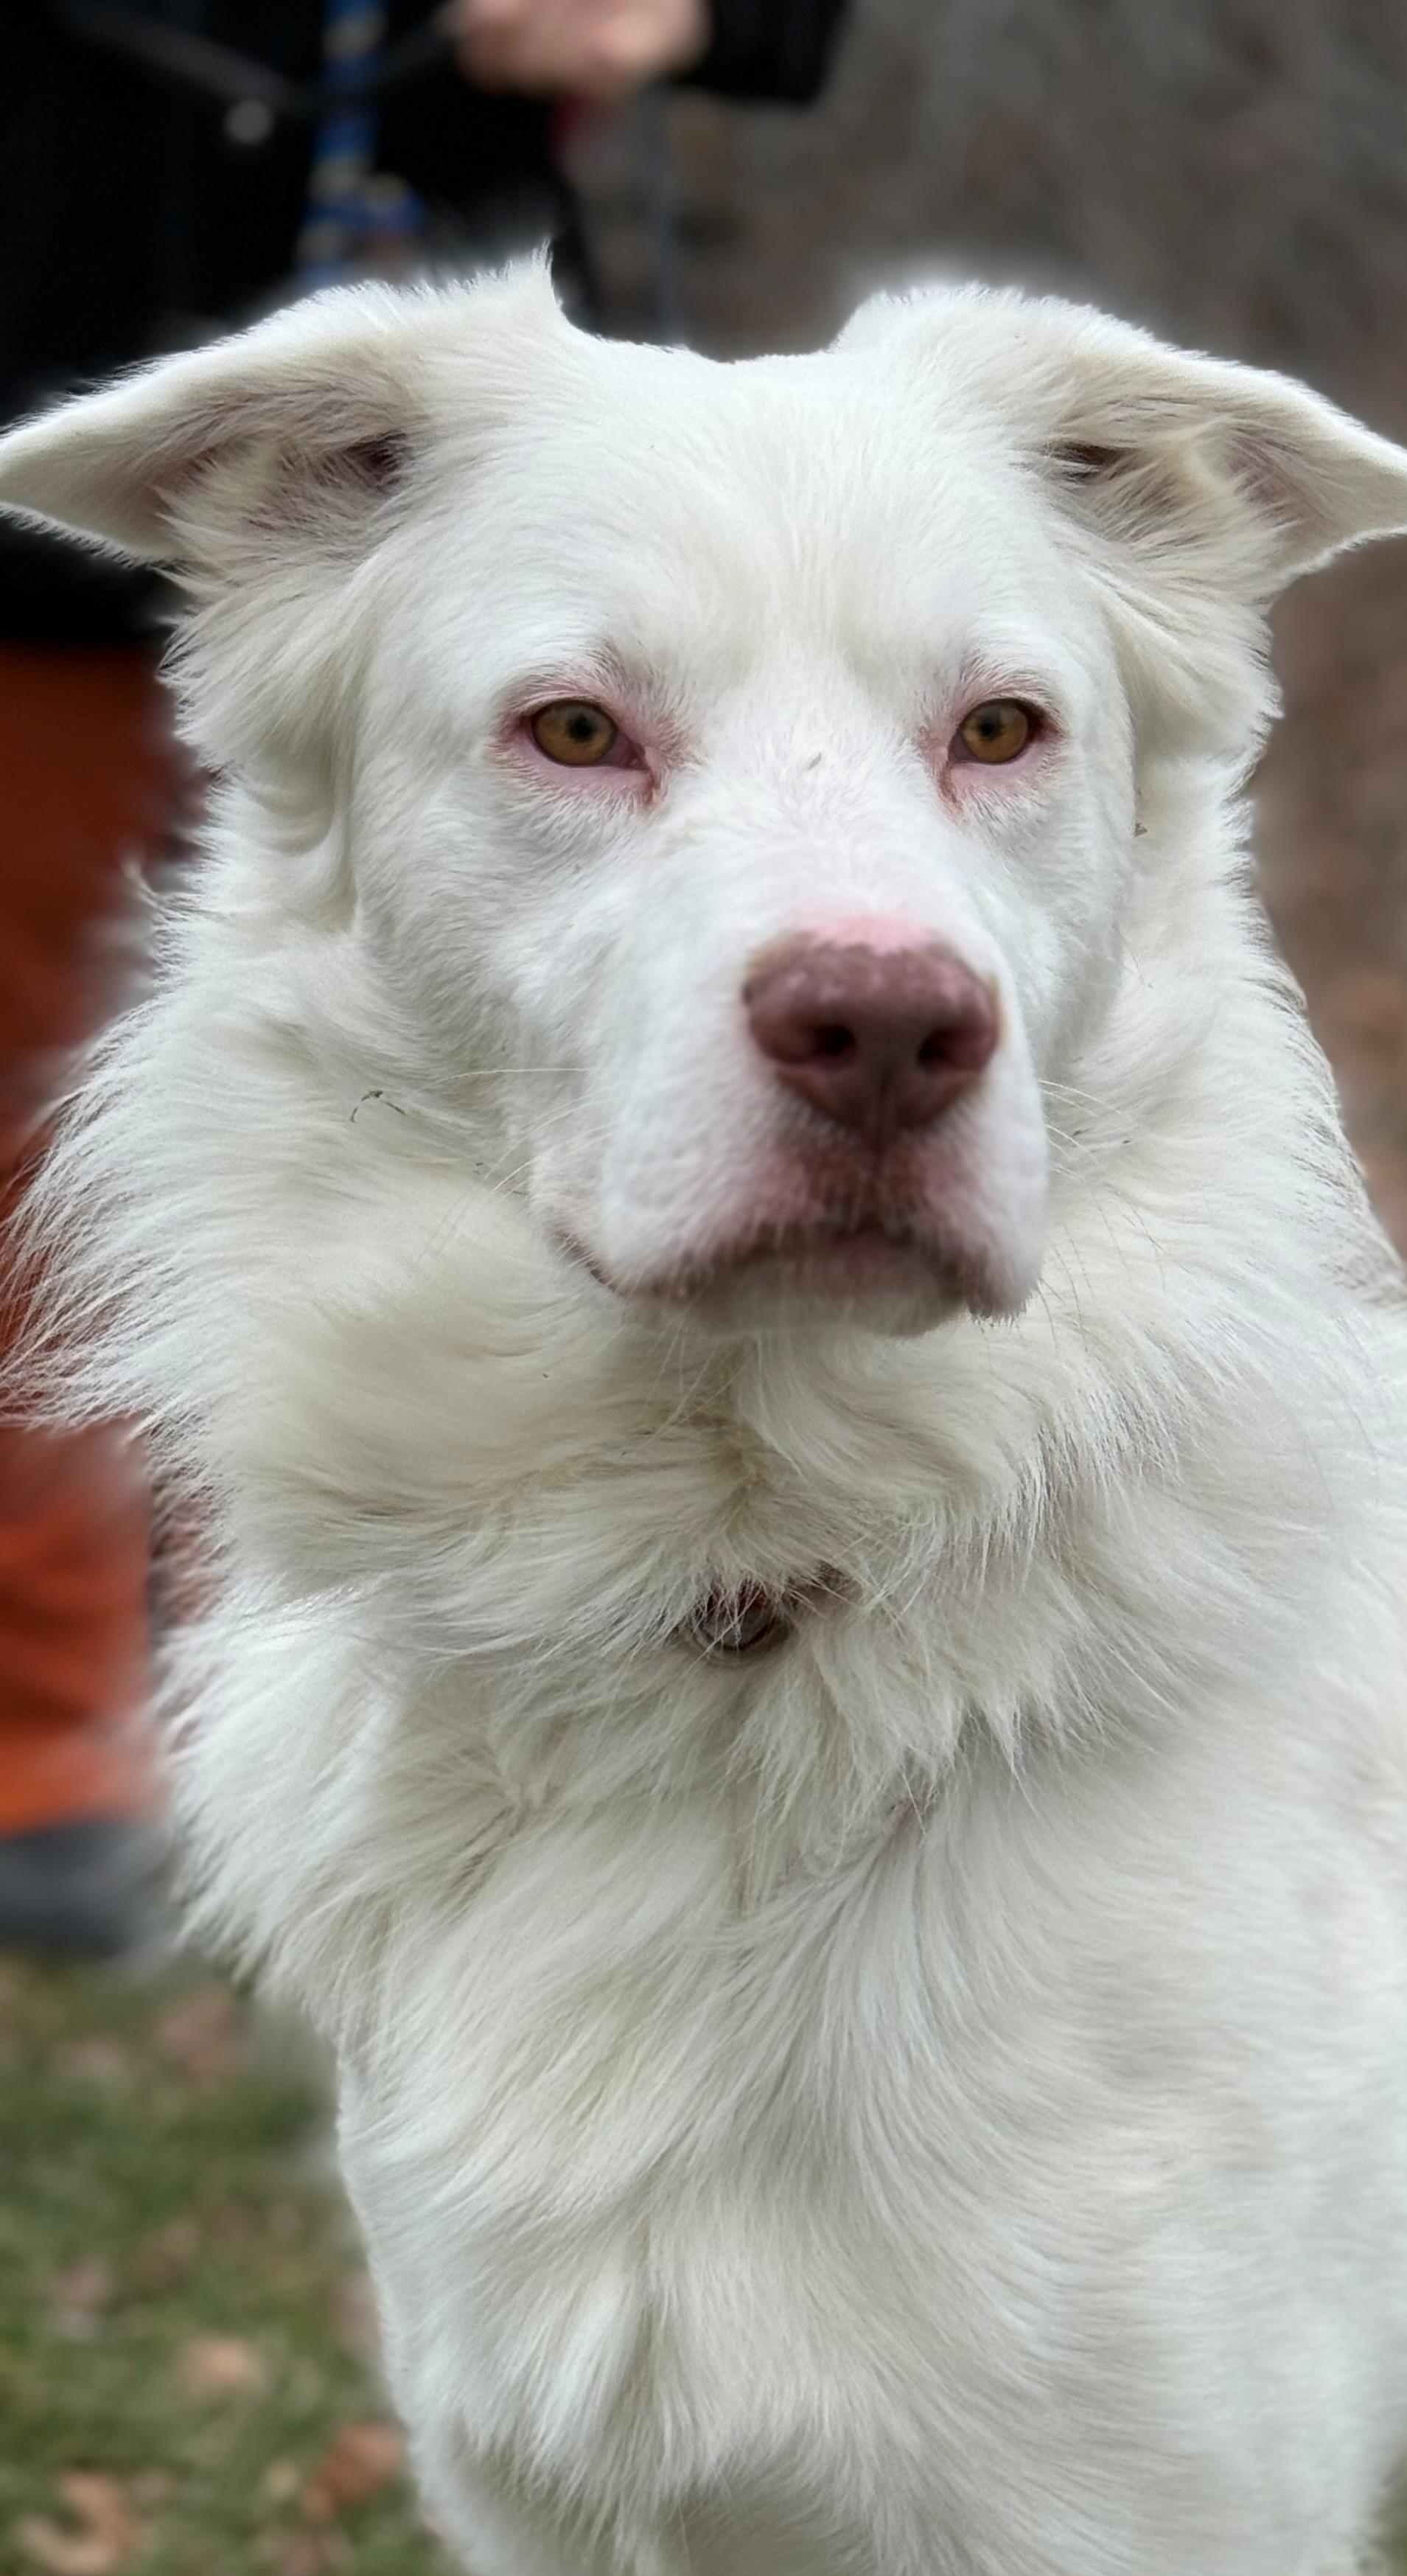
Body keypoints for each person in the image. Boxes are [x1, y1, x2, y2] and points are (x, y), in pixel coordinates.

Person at [0, 0, 850, 1954]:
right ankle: (52, 1738)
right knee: (36, 1095)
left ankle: (336, 1692)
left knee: (465, 1097)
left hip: (480, 460)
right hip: (56, 386)